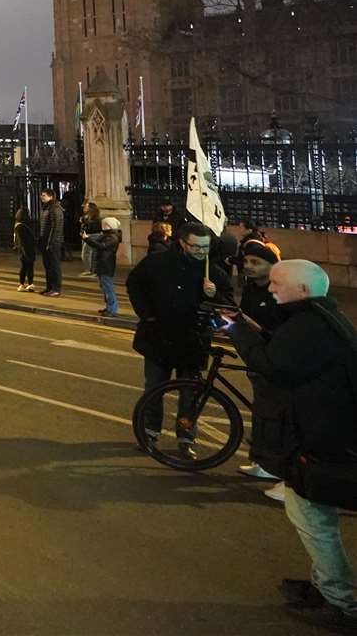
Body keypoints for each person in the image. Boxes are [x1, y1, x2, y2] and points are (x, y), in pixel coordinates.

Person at [223, 260, 357, 628]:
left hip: (325, 440)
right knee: (315, 516)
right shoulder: (316, 318)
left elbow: (272, 365)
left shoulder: (311, 325)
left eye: (277, 283)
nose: (270, 288)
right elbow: (286, 351)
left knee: (313, 517)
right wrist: (250, 326)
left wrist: (235, 329)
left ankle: (340, 602)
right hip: (325, 435)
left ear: (302, 290)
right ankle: (326, 587)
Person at [126, 222, 218, 457]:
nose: (201, 253)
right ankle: (149, 432)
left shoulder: (210, 269)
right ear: (182, 243)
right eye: (196, 247)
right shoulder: (157, 262)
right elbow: (134, 284)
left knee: (190, 394)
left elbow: (225, 304)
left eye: (205, 248)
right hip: (160, 337)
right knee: (154, 388)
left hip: (193, 341)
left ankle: (186, 438)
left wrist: (214, 294)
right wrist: (147, 314)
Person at [234, 240, 287, 489]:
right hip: (256, 356)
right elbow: (241, 320)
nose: (248, 266)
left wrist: (258, 328)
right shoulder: (251, 289)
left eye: (256, 263)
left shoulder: (280, 292)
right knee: (262, 410)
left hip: (275, 360)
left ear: (272, 266)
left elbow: (284, 331)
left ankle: (277, 467)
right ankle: (263, 461)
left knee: (274, 414)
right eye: (246, 262)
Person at [83, 216, 122, 316]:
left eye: (104, 224)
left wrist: (88, 240)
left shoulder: (112, 237)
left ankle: (113, 309)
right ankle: (109, 307)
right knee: (104, 287)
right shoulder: (107, 236)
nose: (102, 226)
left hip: (106, 265)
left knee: (108, 288)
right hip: (103, 264)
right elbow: (98, 241)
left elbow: (102, 246)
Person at [37, 188, 65, 297]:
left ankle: (56, 288)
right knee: (47, 265)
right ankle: (49, 287)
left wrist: (51, 242)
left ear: (51, 197)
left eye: (44, 195)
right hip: (45, 240)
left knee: (54, 265)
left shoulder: (55, 208)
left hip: (54, 242)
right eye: (41, 195)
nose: (41, 197)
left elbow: (56, 227)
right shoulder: (46, 208)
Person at [13, 206, 37, 292]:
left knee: (24, 267)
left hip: (23, 250)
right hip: (29, 249)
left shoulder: (18, 225)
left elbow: (20, 241)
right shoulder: (26, 225)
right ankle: (29, 284)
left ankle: (23, 284)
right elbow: (27, 240)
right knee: (29, 267)